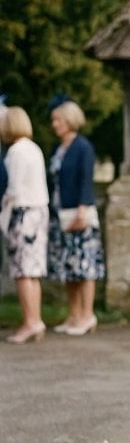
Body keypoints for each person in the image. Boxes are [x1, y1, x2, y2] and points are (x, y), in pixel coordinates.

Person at [47, 97, 105, 335]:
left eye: (57, 120)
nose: (54, 125)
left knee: (85, 265)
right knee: (68, 267)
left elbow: (85, 179)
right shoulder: (57, 149)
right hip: (60, 212)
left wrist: (83, 208)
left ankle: (87, 314)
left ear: (70, 120)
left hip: (80, 212)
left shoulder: (83, 147)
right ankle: (73, 314)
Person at [0, 106, 49, 344]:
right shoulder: (33, 148)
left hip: (23, 214)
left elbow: (14, 190)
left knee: (22, 271)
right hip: (38, 212)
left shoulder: (16, 152)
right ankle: (35, 318)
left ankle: (31, 321)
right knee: (32, 271)